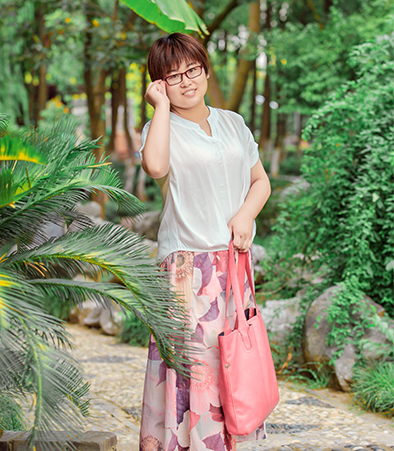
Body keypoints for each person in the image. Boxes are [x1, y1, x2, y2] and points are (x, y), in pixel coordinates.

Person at [139, 32, 271, 451]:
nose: (186, 81)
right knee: (195, 372)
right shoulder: (159, 127)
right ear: (159, 84)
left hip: (233, 264)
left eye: (192, 70)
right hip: (186, 270)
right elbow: (155, 166)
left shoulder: (233, 123)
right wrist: (160, 107)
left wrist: (245, 215)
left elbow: (260, 181)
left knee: (236, 362)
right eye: (173, 76)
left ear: (206, 70)